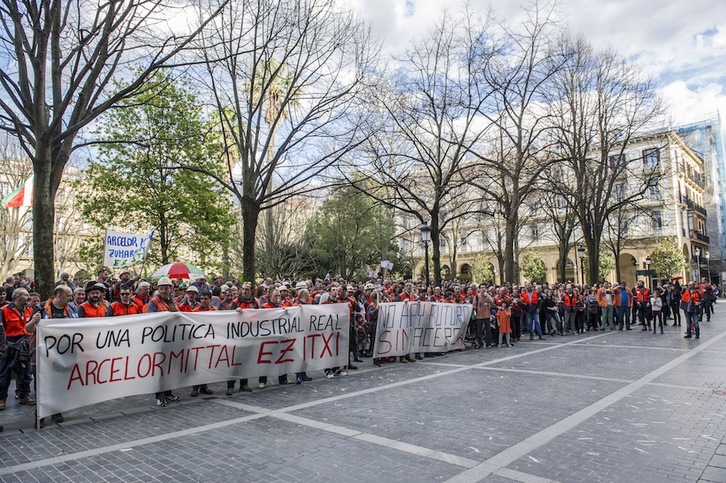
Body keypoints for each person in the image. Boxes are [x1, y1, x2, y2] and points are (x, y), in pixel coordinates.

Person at [28, 285, 76, 424]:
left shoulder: (72, 309)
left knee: (59, 383)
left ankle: (56, 411)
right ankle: (40, 415)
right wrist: (33, 321)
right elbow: (28, 329)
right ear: (59, 296)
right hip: (43, 354)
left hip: (65, 354)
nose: (71, 298)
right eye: (69, 295)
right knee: (42, 384)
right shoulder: (41, 309)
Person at [0, 288, 38, 410]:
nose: (28, 297)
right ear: (17, 297)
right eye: (25, 295)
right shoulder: (4, 310)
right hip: (9, 345)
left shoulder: (29, 310)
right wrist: (3, 346)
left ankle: (24, 395)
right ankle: (1, 399)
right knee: (4, 374)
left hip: (25, 344)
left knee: (25, 372)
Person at [146, 277, 181, 406]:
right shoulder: (154, 302)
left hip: (172, 339)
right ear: (158, 289)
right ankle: (159, 395)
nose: (164, 290)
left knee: (169, 367)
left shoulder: (174, 303)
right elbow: (151, 318)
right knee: (159, 368)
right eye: (162, 288)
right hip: (160, 340)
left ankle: (168, 392)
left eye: (167, 288)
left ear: (171, 289)